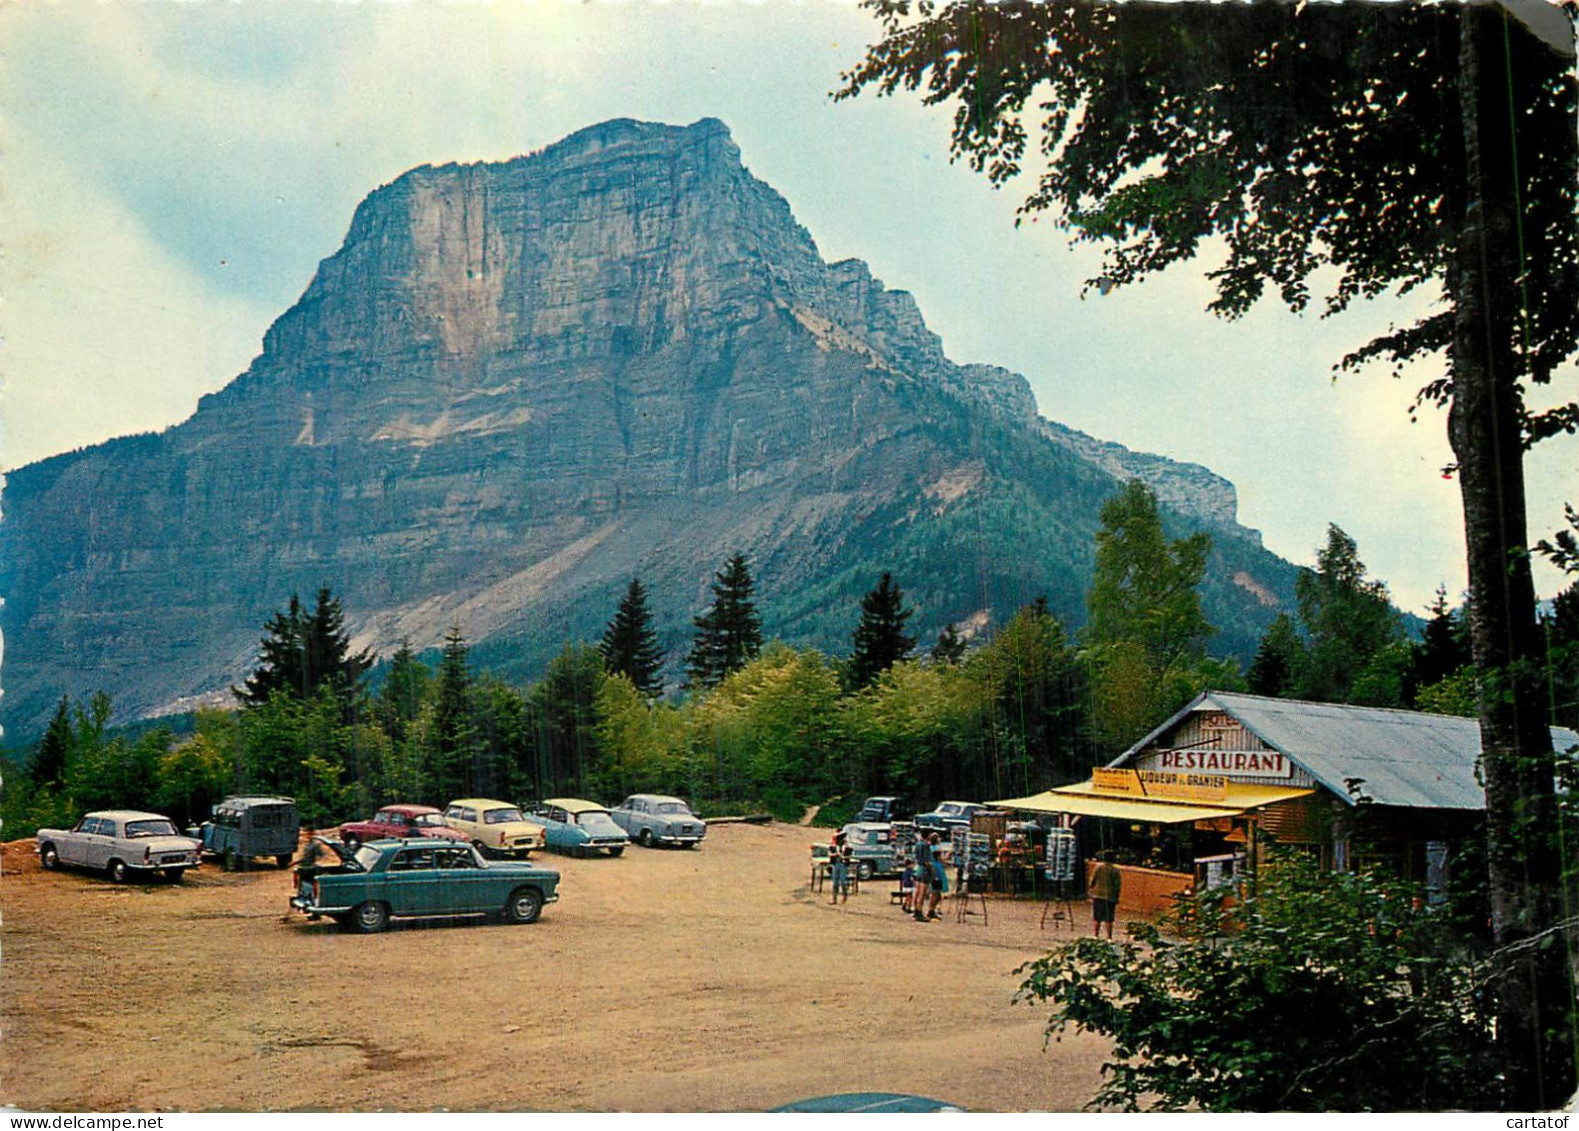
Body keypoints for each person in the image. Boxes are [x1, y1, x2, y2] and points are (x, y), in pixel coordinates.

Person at [1089, 851, 1122, 939]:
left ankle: (1096, 935)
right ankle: (1109, 937)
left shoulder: (1098, 867)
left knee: (1097, 916)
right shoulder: (1115, 870)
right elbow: (1117, 885)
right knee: (1109, 917)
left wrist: (1091, 890)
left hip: (1098, 894)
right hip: (1110, 896)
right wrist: (1117, 896)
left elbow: (1092, 880)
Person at [912, 834, 933, 922]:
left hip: (919, 868)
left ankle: (916, 909)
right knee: (922, 892)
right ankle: (919, 911)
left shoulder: (918, 844)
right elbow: (927, 860)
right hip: (925, 869)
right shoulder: (926, 845)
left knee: (917, 890)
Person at [926, 832, 947, 920]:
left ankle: (932, 909)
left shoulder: (929, 848)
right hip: (938, 869)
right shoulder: (938, 849)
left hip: (932, 869)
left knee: (935, 891)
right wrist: (949, 854)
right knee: (937, 892)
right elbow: (942, 860)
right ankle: (931, 909)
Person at [829, 831, 851, 904]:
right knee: (835, 882)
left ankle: (845, 895)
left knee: (843, 881)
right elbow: (830, 854)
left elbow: (849, 856)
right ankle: (834, 898)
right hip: (836, 864)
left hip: (843, 864)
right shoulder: (834, 847)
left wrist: (842, 857)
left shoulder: (847, 847)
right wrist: (835, 855)